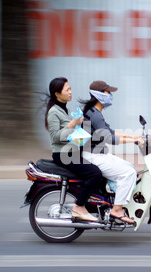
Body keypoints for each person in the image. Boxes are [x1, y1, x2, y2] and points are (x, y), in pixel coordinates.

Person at [79, 80, 142, 225]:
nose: (110, 95)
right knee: (128, 173)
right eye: (108, 92)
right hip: (93, 157)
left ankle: (113, 199)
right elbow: (110, 138)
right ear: (99, 95)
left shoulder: (94, 112)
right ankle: (117, 209)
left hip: (97, 154)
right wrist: (134, 141)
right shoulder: (95, 114)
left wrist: (134, 137)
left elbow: (110, 131)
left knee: (129, 166)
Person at [42, 77, 102, 222]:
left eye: (70, 89)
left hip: (72, 151)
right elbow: (56, 137)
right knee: (95, 173)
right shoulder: (53, 112)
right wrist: (73, 123)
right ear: (57, 94)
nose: (70, 92)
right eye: (67, 90)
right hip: (63, 154)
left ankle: (94, 205)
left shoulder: (65, 109)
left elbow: (69, 135)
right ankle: (79, 206)